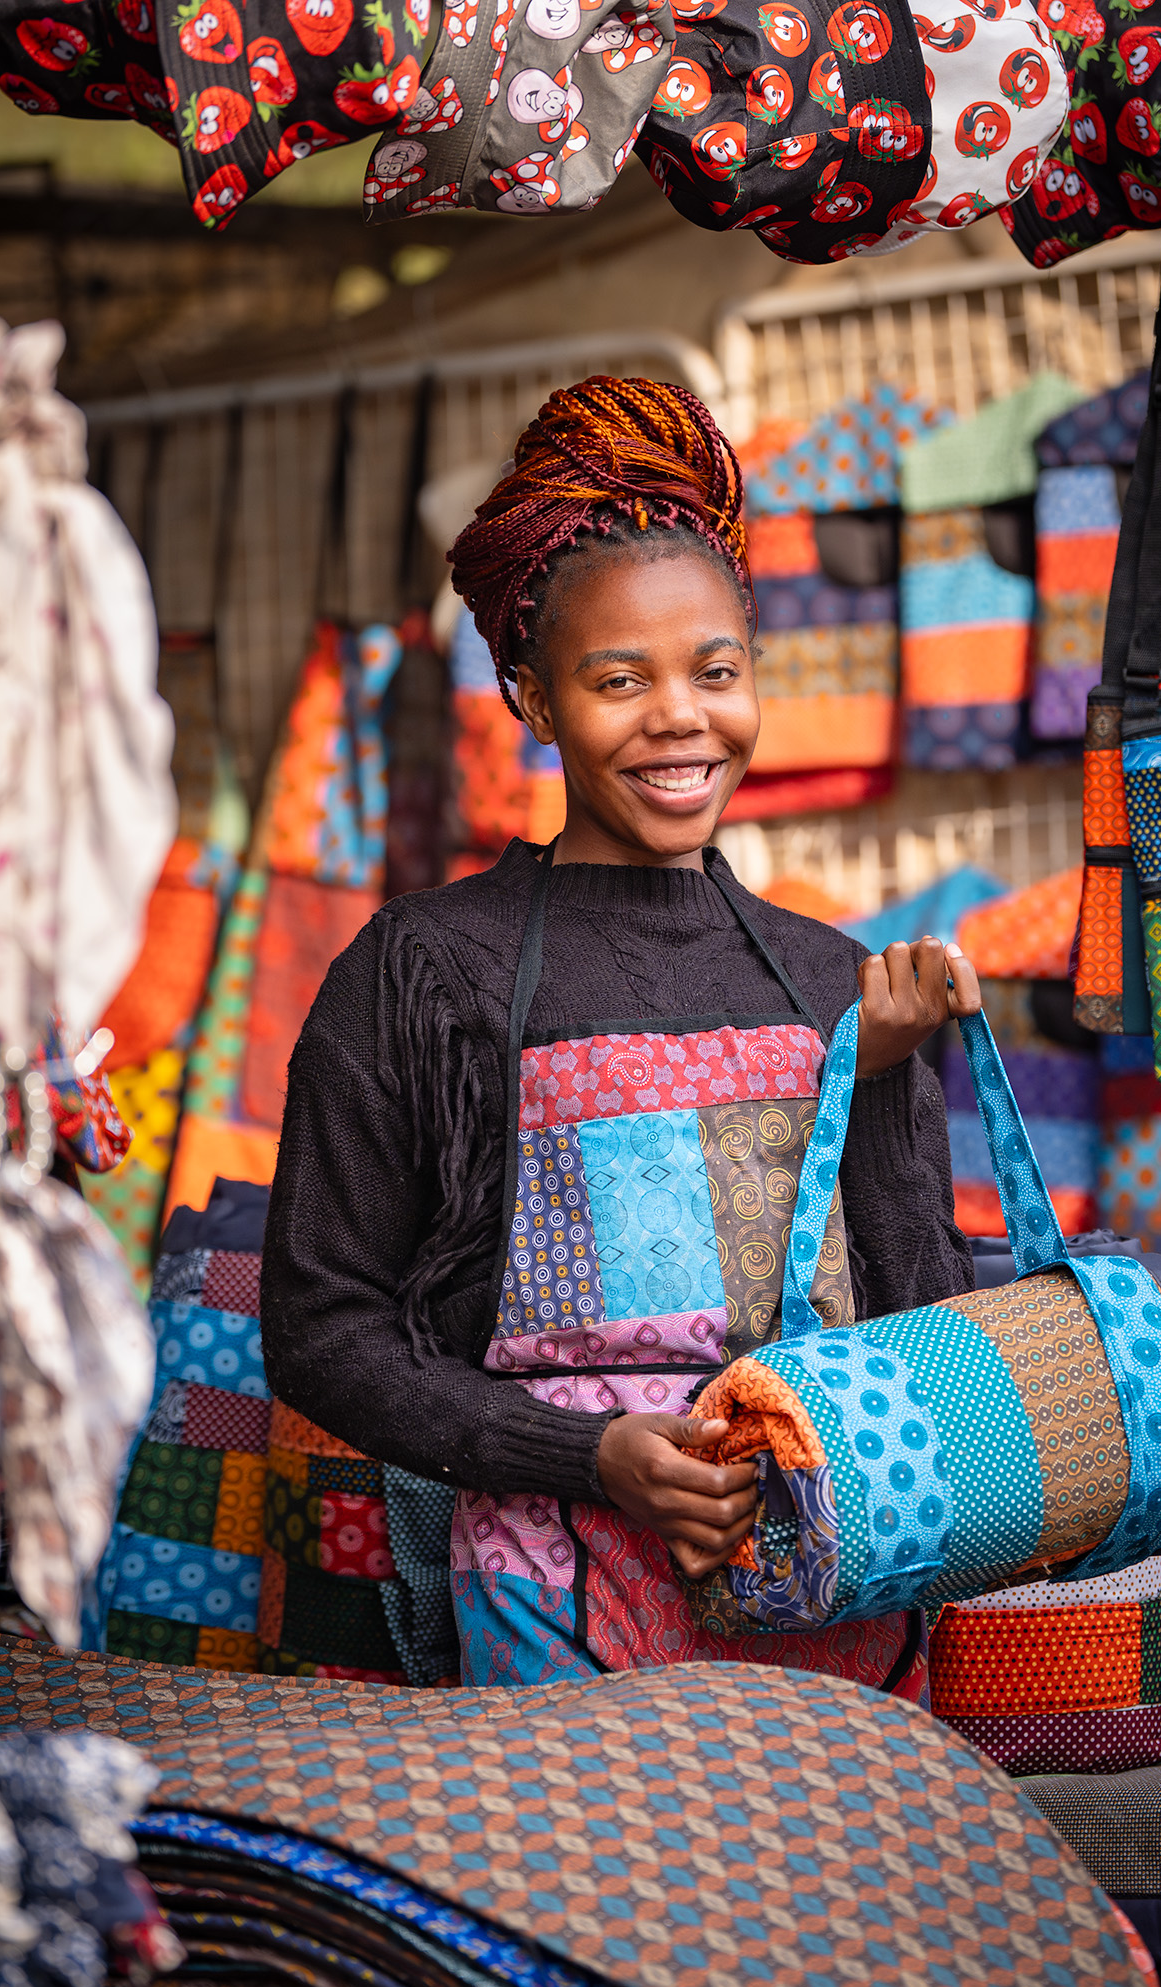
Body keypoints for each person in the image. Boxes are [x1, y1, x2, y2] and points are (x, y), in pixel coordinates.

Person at [262, 376, 981, 1690]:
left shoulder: (832, 978)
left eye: (716, 671)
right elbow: (320, 1329)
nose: (681, 717)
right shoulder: (427, 973)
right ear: (535, 701)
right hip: (555, 1600)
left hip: (838, 1611)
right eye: (618, 680)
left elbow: (932, 1341)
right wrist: (587, 1456)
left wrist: (878, 1085)